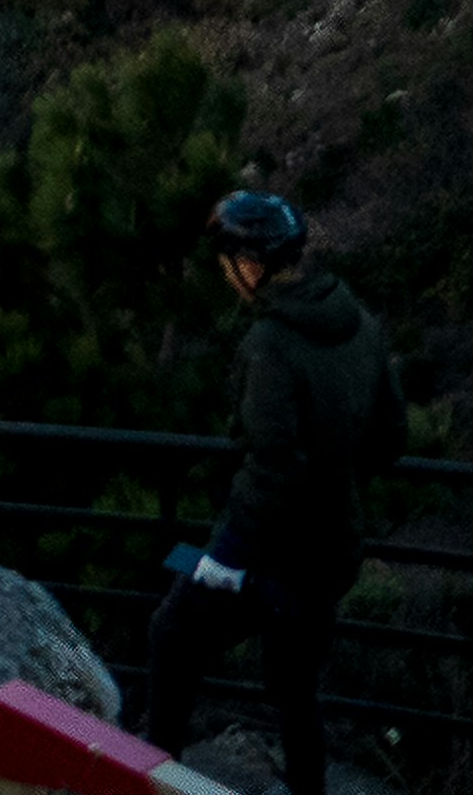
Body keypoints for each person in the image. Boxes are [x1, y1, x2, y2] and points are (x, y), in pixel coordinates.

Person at [139, 188, 402, 795]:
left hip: (270, 553)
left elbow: (271, 467)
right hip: (332, 550)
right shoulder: (360, 323)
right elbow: (390, 437)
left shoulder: (270, 345)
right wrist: (335, 471)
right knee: (294, 690)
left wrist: (227, 554)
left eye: (226, 262)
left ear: (249, 265)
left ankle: (152, 781)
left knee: (171, 638)